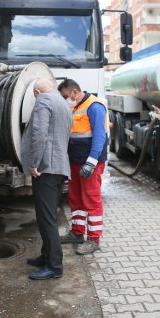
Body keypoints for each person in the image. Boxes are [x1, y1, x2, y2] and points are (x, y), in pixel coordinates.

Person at [21, 78, 72, 280]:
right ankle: (46, 256)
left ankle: (54, 266)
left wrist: (34, 162)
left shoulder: (43, 100)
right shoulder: (62, 102)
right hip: (59, 166)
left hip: (46, 168)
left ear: (36, 92)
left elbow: (39, 134)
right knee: (50, 214)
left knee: (46, 219)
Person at [58, 79, 109, 255]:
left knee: (91, 200)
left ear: (74, 92)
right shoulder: (74, 107)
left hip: (89, 163)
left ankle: (94, 239)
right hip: (75, 161)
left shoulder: (94, 106)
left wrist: (91, 162)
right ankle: (78, 233)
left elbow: (99, 137)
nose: (65, 99)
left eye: (65, 96)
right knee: (76, 197)